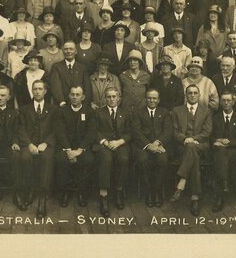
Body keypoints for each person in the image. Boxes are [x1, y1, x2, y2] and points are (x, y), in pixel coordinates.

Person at [15, 80, 57, 217]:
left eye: (40, 89)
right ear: (32, 91)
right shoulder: (24, 109)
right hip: (30, 143)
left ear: (45, 91)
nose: (37, 91)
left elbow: (57, 130)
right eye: (35, 89)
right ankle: (29, 190)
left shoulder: (53, 109)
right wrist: (29, 144)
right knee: (25, 158)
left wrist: (46, 143)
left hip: (46, 144)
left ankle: (42, 199)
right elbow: (21, 128)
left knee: (46, 158)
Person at [169, 85, 212, 215]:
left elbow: (207, 132)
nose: (192, 95)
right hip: (182, 146)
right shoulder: (177, 110)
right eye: (189, 93)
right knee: (194, 157)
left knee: (192, 148)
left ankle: (181, 184)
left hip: (201, 145)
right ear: (186, 96)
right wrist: (185, 139)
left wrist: (192, 139)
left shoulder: (206, 111)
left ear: (199, 95)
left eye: (195, 93)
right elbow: (174, 132)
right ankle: (195, 198)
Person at [90, 87, 133, 216]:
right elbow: (94, 131)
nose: (112, 99)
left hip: (120, 144)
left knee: (123, 159)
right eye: (109, 97)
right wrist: (104, 141)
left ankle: (119, 190)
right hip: (104, 145)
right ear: (105, 98)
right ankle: (103, 195)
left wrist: (120, 141)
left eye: (114, 96)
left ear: (118, 98)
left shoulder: (125, 113)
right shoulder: (98, 113)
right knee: (106, 159)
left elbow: (130, 132)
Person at [53, 86, 95, 208]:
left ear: (83, 97)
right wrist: (68, 150)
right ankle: (64, 192)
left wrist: (80, 150)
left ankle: (82, 192)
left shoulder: (90, 112)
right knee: (60, 160)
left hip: (82, 148)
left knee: (88, 160)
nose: (75, 97)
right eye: (72, 94)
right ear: (69, 96)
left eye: (78, 95)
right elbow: (60, 132)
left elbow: (91, 133)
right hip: (66, 147)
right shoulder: (61, 111)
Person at [131, 89, 173, 208]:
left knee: (163, 160)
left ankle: (157, 190)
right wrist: (149, 145)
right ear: (146, 99)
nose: (152, 100)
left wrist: (157, 143)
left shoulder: (164, 112)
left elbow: (168, 130)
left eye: (154, 98)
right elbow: (136, 132)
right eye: (149, 98)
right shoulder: (138, 113)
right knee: (143, 160)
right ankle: (149, 192)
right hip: (142, 146)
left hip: (160, 146)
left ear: (158, 100)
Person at [209, 92, 236, 212]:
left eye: (229, 101)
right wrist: (217, 140)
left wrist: (228, 142)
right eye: (224, 101)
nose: (226, 103)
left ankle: (220, 194)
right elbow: (210, 137)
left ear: (233, 102)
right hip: (218, 150)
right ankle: (224, 186)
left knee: (222, 155)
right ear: (220, 102)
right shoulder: (215, 118)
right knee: (221, 154)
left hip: (234, 151)